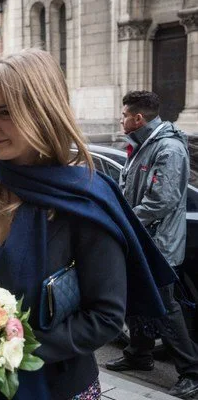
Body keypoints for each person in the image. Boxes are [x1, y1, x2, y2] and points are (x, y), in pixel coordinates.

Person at [0, 49, 176, 399]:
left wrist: (8, 353)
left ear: (42, 113)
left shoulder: (85, 197)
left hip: (61, 387)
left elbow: (105, 316)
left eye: (6, 113)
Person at [106, 90, 198, 398]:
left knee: (165, 308)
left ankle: (191, 372)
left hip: (159, 244)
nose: (121, 120)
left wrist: (125, 221)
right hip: (141, 239)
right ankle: (139, 353)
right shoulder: (142, 145)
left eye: (124, 116)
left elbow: (161, 201)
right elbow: (125, 187)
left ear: (137, 118)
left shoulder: (168, 149)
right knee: (136, 298)